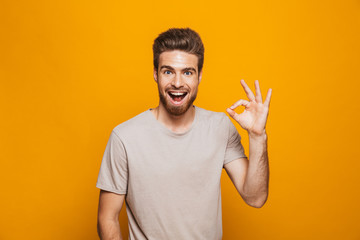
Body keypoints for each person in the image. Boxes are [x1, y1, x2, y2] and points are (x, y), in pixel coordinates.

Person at [96, 28, 272, 240]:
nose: (178, 83)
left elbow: (255, 197)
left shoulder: (220, 128)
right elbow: (107, 218)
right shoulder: (124, 137)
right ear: (155, 73)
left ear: (199, 76)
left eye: (187, 72)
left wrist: (257, 136)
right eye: (168, 71)